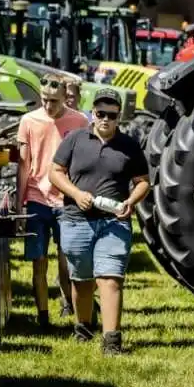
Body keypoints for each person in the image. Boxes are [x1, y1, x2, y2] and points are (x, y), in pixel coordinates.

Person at [49, 88, 150, 355]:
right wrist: (75, 194)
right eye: (100, 113)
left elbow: (143, 182)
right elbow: (55, 172)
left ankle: (112, 342)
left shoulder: (129, 145)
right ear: (92, 113)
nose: (105, 119)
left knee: (111, 279)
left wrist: (131, 201)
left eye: (111, 115)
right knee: (81, 282)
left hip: (113, 223)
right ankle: (83, 328)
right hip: (76, 220)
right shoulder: (75, 140)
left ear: (119, 117)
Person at [16, 74, 89, 329]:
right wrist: (19, 205)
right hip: (37, 199)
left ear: (64, 98)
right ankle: (43, 317)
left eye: (54, 101)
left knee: (67, 258)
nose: (49, 106)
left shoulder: (79, 121)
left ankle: (71, 306)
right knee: (39, 261)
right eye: (45, 100)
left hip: (66, 201)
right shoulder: (28, 121)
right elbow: (24, 165)